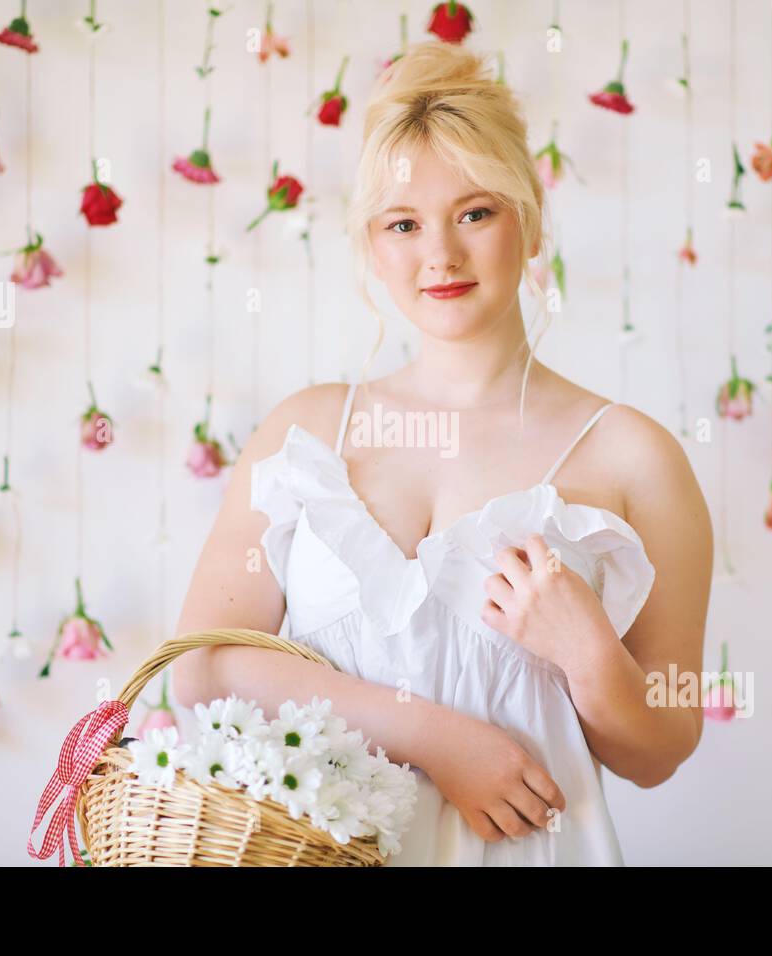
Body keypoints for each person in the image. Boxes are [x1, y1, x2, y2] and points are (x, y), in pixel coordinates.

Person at [173, 40, 712, 865]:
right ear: (372, 246)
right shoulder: (305, 431)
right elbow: (202, 670)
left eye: (475, 212)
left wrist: (587, 651)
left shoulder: (633, 456)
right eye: (403, 224)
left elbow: (661, 750)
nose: (441, 255)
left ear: (530, 218)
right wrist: (438, 739)